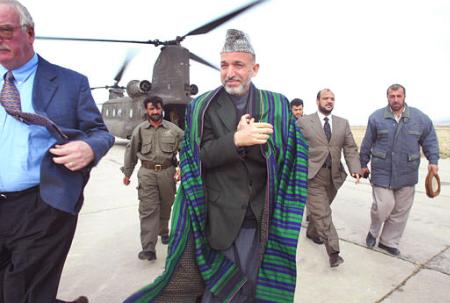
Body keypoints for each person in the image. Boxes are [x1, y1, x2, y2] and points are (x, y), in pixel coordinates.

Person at [124, 29, 308, 303]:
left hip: (263, 220)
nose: (230, 72)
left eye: (238, 65)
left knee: (255, 289)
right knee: (219, 292)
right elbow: (196, 157)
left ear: (254, 68)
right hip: (219, 219)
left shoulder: (277, 104)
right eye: (224, 65)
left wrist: (260, 144)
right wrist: (235, 140)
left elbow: (292, 156)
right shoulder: (202, 106)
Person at [0, 1, 114, 303]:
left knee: (23, 291)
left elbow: (100, 132)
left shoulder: (69, 82)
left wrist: (89, 147)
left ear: (30, 33)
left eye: (6, 31)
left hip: (41, 205)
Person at [360, 84, 439, 256]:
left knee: (401, 210)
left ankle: (388, 241)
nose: (395, 99)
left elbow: (430, 140)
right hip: (382, 171)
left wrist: (433, 161)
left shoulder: (420, 118)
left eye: (399, 96)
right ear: (387, 97)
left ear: (404, 97)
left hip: (407, 171)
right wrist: (363, 163)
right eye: (392, 96)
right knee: (383, 206)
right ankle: (373, 231)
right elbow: (367, 143)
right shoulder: (376, 117)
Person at [298, 88, 361, 267]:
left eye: (332, 98)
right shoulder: (304, 122)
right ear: (317, 101)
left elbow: (350, 147)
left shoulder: (342, 123)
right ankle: (333, 252)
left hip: (334, 176)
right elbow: (294, 146)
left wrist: (355, 168)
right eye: (325, 98)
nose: (329, 101)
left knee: (320, 211)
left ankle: (312, 232)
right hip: (312, 175)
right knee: (323, 213)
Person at [121, 95, 184, 262]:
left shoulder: (174, 130)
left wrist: (182, 168)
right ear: (146, 110)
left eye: (158, 108)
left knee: (166, 205)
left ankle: (163, 231)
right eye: (151, 109)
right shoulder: (140, 130)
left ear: (162, 109)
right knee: (148, 209)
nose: (155, 112)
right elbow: (131, 151)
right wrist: (127, 173)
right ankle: (148, 248)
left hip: (167, 173)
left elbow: (187, 149)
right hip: (147, 173)